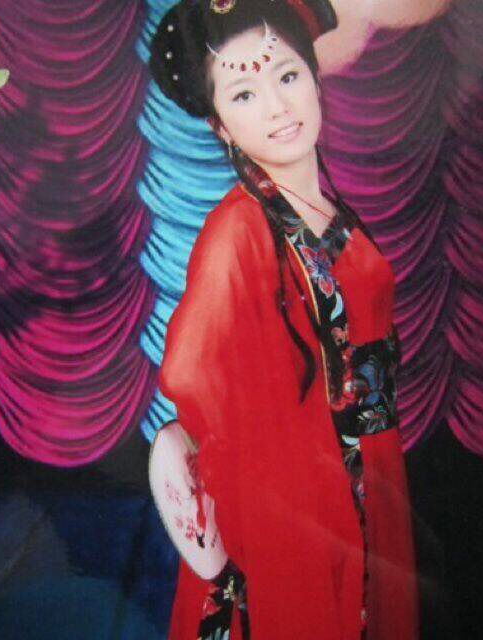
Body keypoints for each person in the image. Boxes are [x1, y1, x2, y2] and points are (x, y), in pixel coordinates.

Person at [150, 1, 418, 638]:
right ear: (219, 125)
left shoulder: (322, 206)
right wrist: (293, 469)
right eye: (244, 94)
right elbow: (191, 374)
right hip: (305, 500)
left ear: (315, 80)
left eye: (288, 76)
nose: (277, 107)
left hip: (370, 468)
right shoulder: (237, 233)